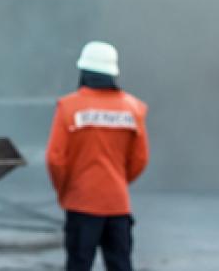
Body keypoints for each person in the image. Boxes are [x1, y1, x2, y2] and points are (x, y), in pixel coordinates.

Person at [46, 41, 149, 271]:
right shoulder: (134, 109)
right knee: (120, 264)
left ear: (83, 70)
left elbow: (55, 158)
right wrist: (118, 180)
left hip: (81, 203)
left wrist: (66, 189)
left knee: (79, 264)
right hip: (118, 205)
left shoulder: (69, 108)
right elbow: (140, 158)